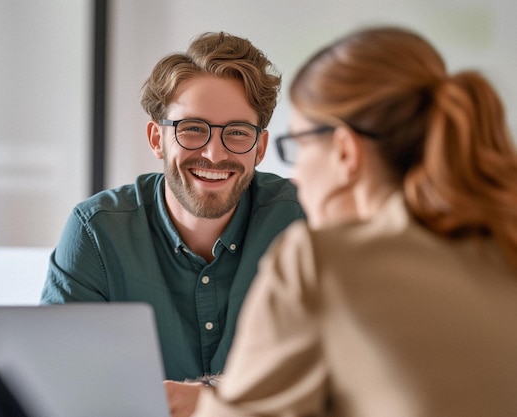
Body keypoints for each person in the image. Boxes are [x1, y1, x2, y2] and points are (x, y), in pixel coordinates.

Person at [192, 25, 517, 417]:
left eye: (295, 144)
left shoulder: (318, 261)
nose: (296, 175)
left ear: (345, 151)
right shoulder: (503, 244)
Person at [40, 31, 305, 417]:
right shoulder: (96, 231)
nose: (214, 154)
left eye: (237, 133)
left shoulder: (305, 221)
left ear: (260, 148)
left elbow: (347, 373)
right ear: (157, 138)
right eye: (193, 128)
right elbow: (57, 380)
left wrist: (214, 401)